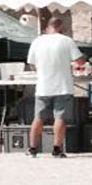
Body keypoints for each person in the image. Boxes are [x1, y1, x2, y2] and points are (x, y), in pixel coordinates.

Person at [26, 17, 83, 158]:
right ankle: (57, 149)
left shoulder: (37, 41)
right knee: (60, 118)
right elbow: (79, 60)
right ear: (61, 27)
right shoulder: (66, 41)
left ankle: (32, 148)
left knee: (38, 118)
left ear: (47, 28)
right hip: (63, 85)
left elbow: (31, 63)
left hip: (43, 86)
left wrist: (41, 71)